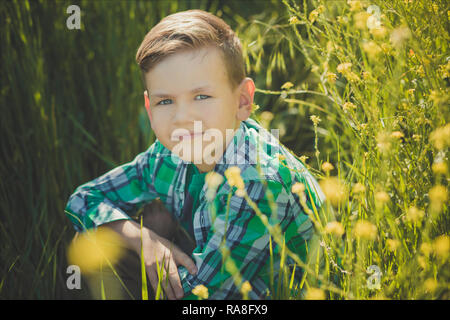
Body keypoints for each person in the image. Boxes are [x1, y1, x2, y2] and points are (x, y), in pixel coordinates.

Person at [64, 9, 326, 300]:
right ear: (150, 110)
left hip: (269, 293)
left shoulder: (258, 182)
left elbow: (199, 298)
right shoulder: (168, 154)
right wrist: (144, 239)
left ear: (242, 101)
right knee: (98, 238)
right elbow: (83, 198)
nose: (182, 117)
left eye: (201, 96)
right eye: (166, 101)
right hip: (211, 268)